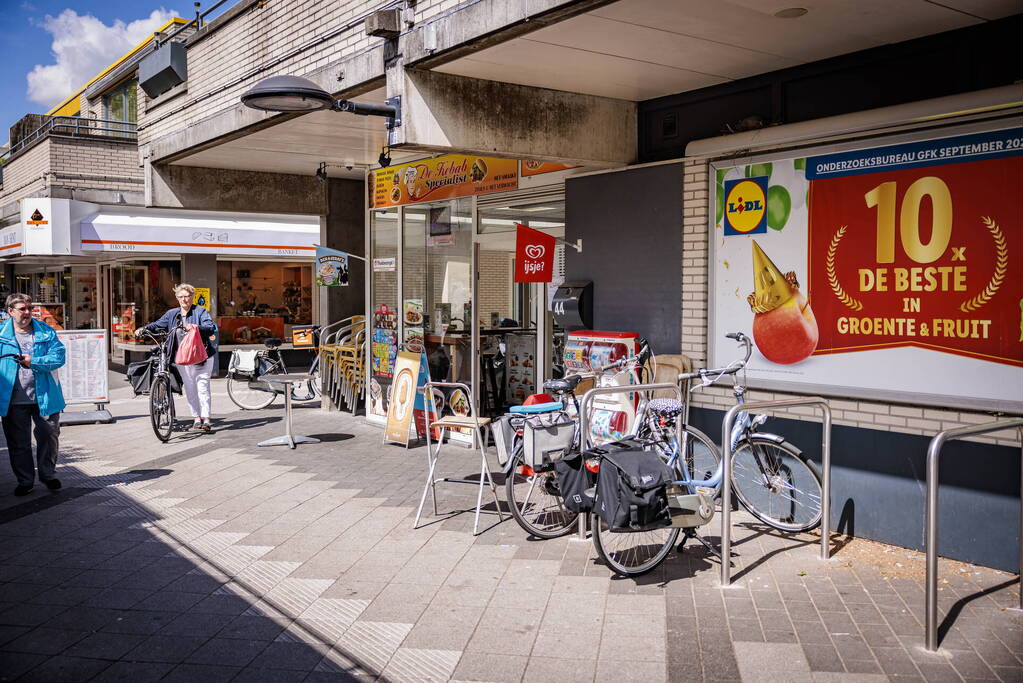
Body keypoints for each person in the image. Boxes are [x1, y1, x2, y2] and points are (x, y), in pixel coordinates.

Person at [0, 293, 67, 496]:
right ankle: (25, 480)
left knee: (49, 435)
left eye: (29, 308)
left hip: (45, 395)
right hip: (12, 399)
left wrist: (33, 361)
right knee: (18, 443)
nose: (28, 312)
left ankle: (48, 475)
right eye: (23, 309)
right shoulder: (2, 336)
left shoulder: (45, 332)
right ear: (10, 311)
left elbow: (58, 357)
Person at [136, 283, 218, 432]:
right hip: (182, 357)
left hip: (202, 356)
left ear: (192, 297)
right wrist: (143, 329)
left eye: (187, 296)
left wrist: (195, 327)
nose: (184, 300)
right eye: (181, 297)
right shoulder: (172, 314)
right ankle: (196, 418)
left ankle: (206, 419)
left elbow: (210, 327)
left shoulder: (200, 312)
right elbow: (157, 325)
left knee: (202, 387)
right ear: (177, 298)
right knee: (190, 387)